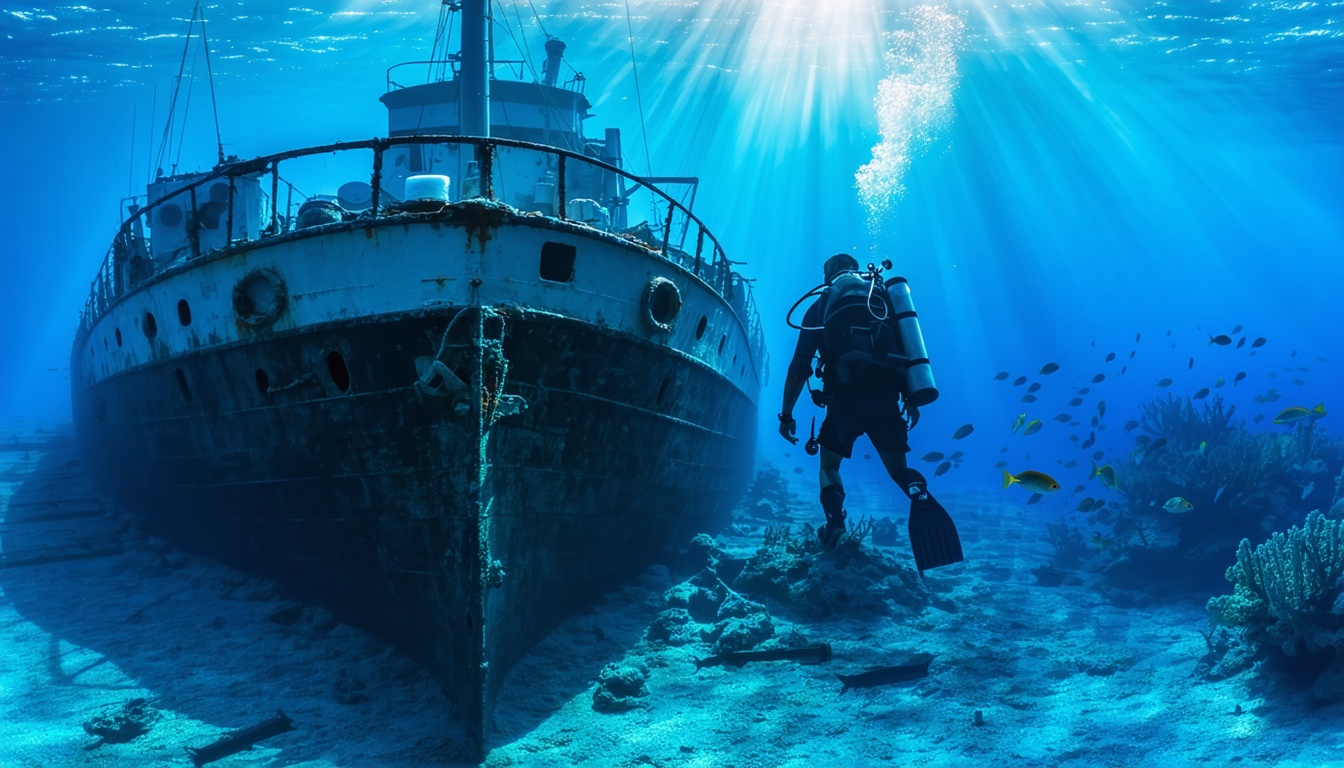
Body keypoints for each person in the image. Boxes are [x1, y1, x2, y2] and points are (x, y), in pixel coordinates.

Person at [778, 254, 962, 573]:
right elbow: (906, 351)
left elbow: (799, 369)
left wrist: (786, 414)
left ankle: (835, 524)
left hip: (844, 400)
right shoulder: (882, 300)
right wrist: (911, 397)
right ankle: (917, 492)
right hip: (885, 398)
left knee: (830, 467)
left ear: (828, 276)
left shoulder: (820, 306)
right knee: (898, 470)